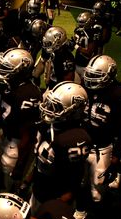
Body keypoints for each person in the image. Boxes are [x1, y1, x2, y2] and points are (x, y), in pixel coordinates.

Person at [74, 55, 121, 219]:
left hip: (103, 148)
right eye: (90, 75)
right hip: (85, 144)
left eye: (96, 76)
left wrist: (118, 155)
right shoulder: (89, 89)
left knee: (97, 193)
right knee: (80, 182)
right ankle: (81, 211)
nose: (91, 80)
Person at [0, 49, 41, 198]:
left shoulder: (29, 94)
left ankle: (10, 197)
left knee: (11, 177)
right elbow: (4, 110)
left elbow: (27, 136)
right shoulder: (8, 84)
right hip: (5, 132)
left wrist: (20, 167)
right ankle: (0, 185)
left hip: (19, 140)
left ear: (22, 70)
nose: (2, 72)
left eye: (7, 69)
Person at [31, 81, 91, 210]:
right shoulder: (50, 125)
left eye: (56, 107)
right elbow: (40, 161)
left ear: (74, 111)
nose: (49, 109)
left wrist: (61, 203)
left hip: (57, 198)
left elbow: (76, 175)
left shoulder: (76, 138)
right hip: (40, 189)